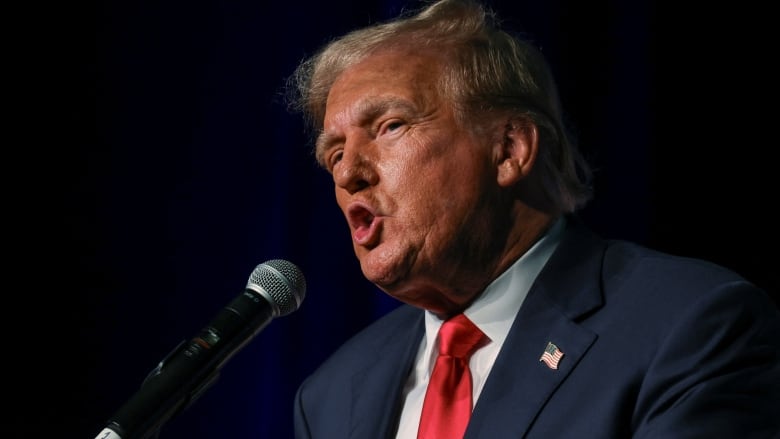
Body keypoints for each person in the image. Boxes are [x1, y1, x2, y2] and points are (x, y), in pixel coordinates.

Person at [285, 0, 780, 437]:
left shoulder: (687, 325)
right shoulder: (332, 394)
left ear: (509, 149)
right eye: (333, 155)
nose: (349, 172)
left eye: (390, 127)